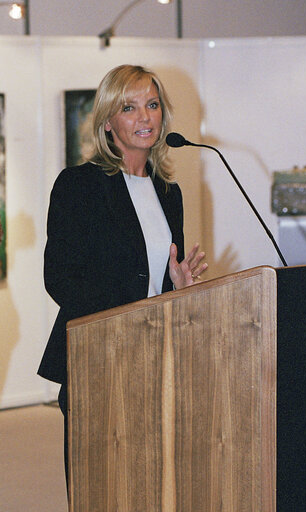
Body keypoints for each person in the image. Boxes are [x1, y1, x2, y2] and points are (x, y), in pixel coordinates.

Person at [37, 64, 207, 483]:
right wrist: (132, 316)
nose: (144, 117)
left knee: (152, 483)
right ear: (108, 121)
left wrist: (179, 288)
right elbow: (60, 277)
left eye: (151, 105)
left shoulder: (169, 192)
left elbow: (160, 278)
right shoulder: (79, 185)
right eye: (129, 108)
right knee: (100, 486)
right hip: (99, 359)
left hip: (157, 360)